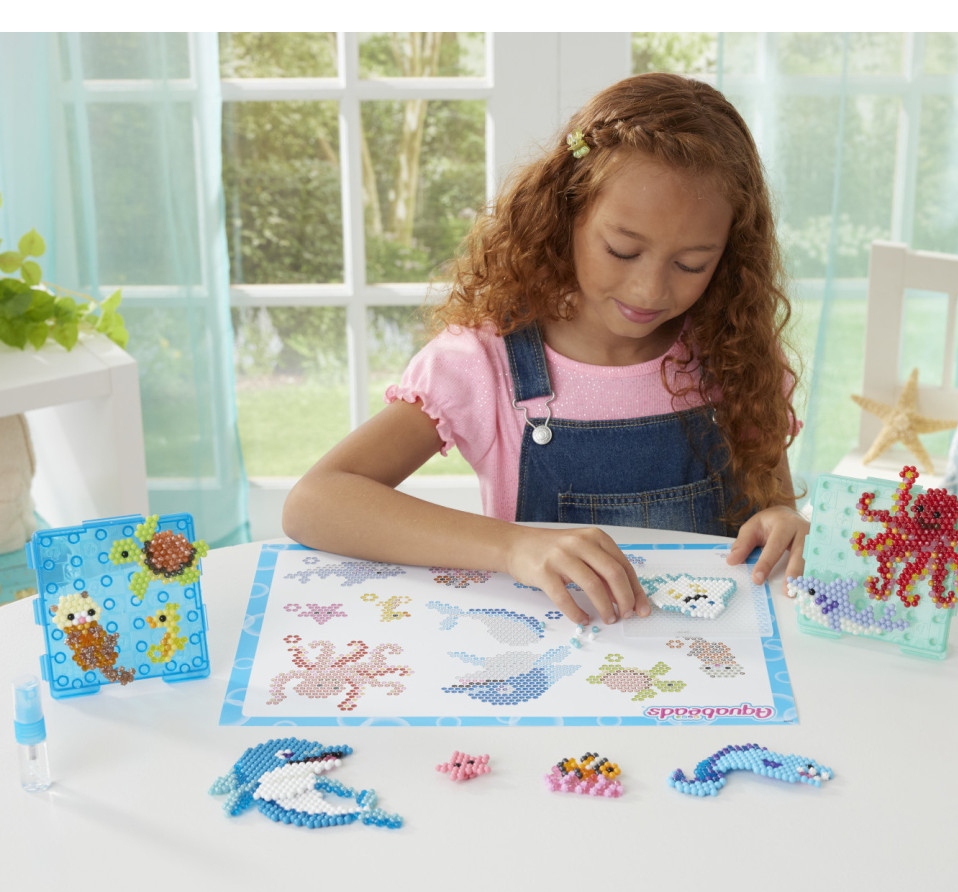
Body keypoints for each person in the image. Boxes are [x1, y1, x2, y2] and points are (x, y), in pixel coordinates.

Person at [283, 73, 809, 628]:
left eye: (691, 264)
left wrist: (782, 523)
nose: (649, 289)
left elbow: (772, 510)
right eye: (622, 250)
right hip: (555, 659)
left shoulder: (734, 352)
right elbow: (316, 502)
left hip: (710, 662)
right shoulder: (485, 363)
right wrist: (514, 546)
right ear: (566, 212)